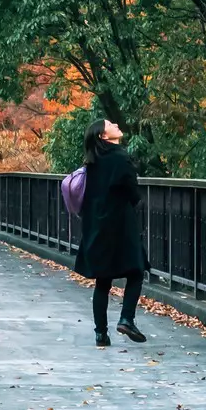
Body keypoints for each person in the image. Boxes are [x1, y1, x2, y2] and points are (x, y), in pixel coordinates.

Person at [73, 116, 148, 348]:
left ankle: (101, 334)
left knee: (103, 281)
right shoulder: (120, 158)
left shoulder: (91, 163)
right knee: (136, 271)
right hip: (121, 225)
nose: (116, 125)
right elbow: (133, 193)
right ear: (103, 136)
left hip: (96, 226)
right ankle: (126, 318)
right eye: (110, 125)